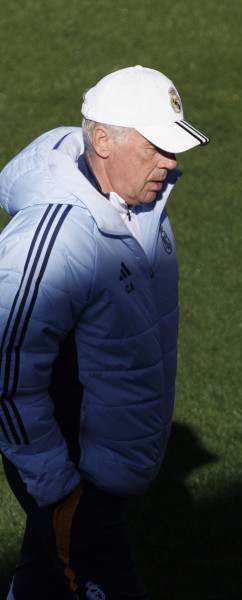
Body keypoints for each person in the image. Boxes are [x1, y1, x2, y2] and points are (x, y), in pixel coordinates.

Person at [0, 65, 209, 600]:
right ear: (102, 142)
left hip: (100, 466)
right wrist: (57, 487)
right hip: (71, 472)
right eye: (157, 148)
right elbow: (4, 367)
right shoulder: (57, 234)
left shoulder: (143, 204)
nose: (171, 161)